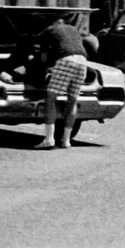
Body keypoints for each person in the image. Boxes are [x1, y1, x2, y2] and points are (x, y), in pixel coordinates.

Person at [38, 12, 98, 149]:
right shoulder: (73, 29)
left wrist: (47, 68)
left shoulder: (50, 30)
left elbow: (43, 57)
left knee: (51, 98)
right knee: (72, 101)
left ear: (52, 22)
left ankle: (49, 139)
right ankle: (66, 141)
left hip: (65, 60)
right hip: (82, 62)